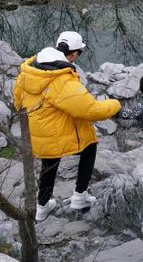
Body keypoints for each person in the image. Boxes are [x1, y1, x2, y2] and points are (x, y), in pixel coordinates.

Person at [13, 31, 121, 222]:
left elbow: (18, 101)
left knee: (49, 164)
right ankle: (80, 196)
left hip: (39, 130)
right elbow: (89, 109)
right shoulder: (62, 78)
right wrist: (115, 104)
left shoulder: (30, 69)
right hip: (57, 131)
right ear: (74, 54)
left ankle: (42, 206)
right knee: (89, 145)